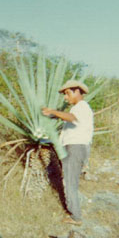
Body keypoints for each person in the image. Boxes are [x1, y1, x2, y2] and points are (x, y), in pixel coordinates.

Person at [42, 80, 94, 225]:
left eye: (67, 93)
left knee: (70, 182)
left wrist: (52, 111)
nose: (66, 97)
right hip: (78, 147)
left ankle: (75, 216)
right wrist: (53, 115)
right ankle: (75, 210)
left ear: (77, 91)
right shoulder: (79, 108)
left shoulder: (81, 107)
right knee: (71, 180)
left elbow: (72, 118)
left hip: (76, 147)